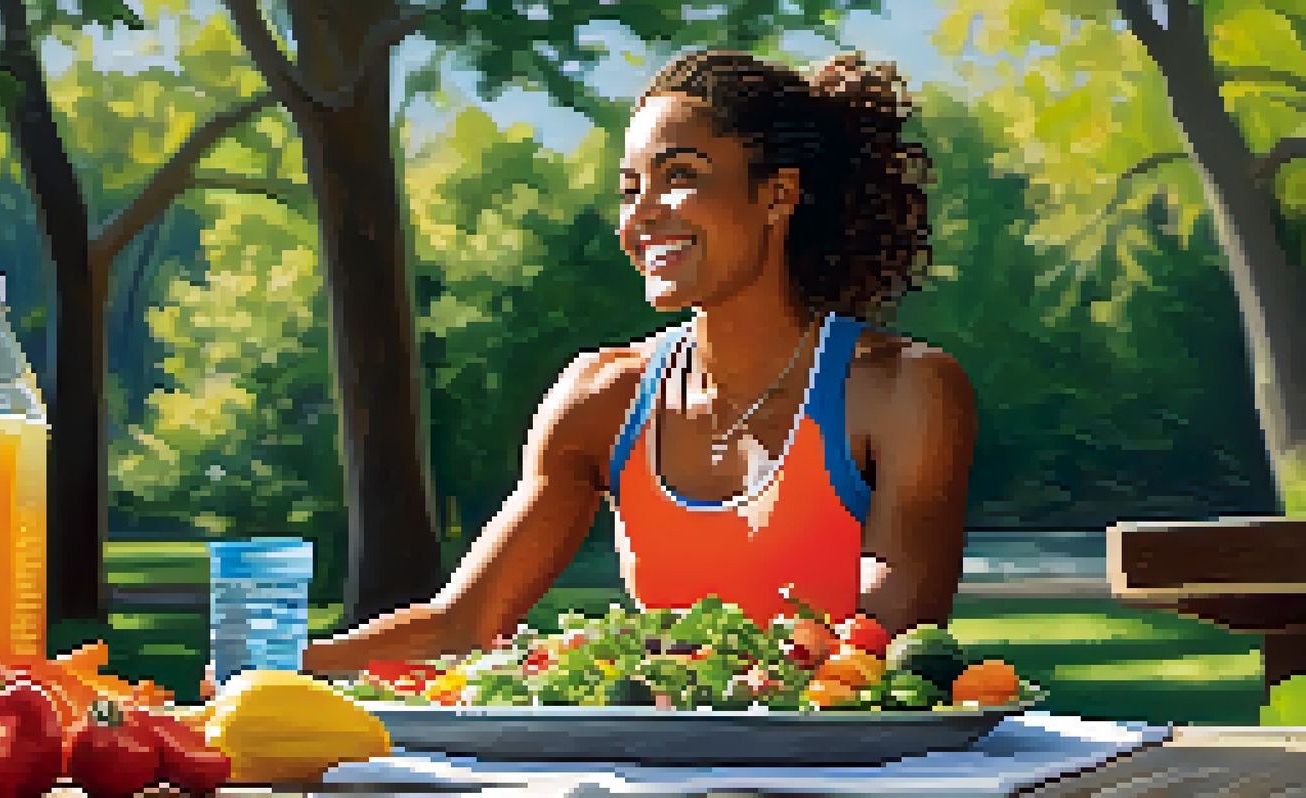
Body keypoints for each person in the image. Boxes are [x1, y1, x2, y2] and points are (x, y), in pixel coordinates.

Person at [287, 49, 975, 681]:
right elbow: (463, 625)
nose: (641, 215)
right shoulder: (602, 398)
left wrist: (643, 659)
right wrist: (271, 670)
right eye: (629, 188)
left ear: (778, 195)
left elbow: (889, 639)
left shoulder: (904, 391)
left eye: (680, 176)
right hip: (651, 770)